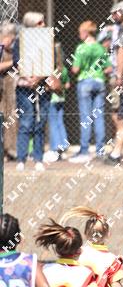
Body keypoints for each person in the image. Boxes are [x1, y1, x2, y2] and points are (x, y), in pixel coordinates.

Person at [98, 0, 123, 164]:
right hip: (117, 75)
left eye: (116, 13)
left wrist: (121, 77)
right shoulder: (114, 30)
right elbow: (102, 46)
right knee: (118, 113)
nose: (113, 16)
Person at [70, 20, 112, 163]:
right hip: (99, 82)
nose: (79, 35)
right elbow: (109, 68)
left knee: (85, 118)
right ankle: (100, 150)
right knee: (98, 117)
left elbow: (75, 69)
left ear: (86, 32)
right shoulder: (101, 48)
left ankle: (84, 150)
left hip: (85, 82)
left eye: (80, 32)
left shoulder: (81, 48)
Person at [14, 12, 50, 172]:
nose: (43, 25)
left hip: (42, 87)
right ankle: (21, 159)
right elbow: (17, 61)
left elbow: (50, 62)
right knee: (26, 122)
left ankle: (38, 159)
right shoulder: (20, 41)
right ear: (31, 24)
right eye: (40, 23)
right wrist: (28, 77)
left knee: (40, 123)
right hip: (24, 87)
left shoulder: (47, 41)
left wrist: (38, 78)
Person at [45, 42, 70, 162]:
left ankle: (55, 148)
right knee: (60, 122)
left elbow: (50, 85)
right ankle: (63, 145)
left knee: (53, 123)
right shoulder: (63, 69)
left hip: (52, 99)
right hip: (61, 98)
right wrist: (62, 87)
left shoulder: (51, 69)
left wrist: (47, 87)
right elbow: (68, 85)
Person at [0, 23, 18, 161]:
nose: (10, 41)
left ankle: (11, 150)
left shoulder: (14, 49)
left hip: (12, 90)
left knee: (12, 118)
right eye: (8, 38)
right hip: (1, 90)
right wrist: (13, 62)